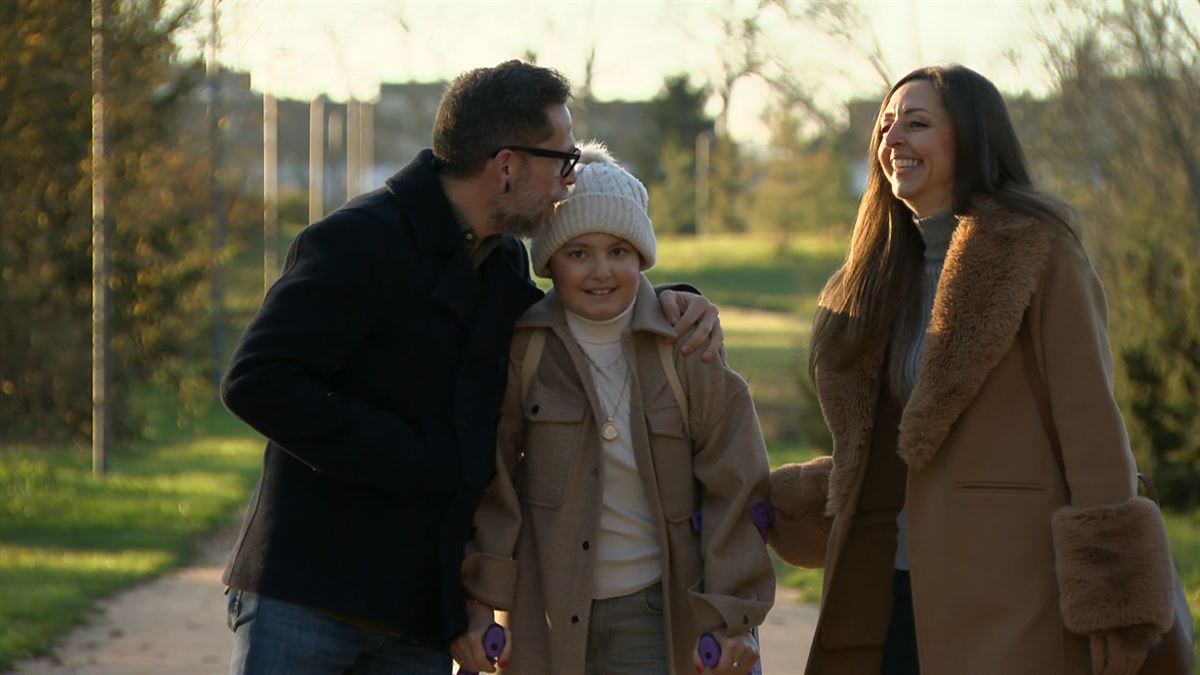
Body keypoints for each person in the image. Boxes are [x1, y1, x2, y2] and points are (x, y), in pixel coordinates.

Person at [219, 60, 723, 675]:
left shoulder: (505, 265)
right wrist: (415, 457)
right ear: (507, 165)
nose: (570, 181)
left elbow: (579, 323)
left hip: (419, 614)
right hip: (310, 593)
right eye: (562, 161)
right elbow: (258, 379)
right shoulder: (359, 240)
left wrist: (673, 298)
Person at [766, 65, 1176, 675]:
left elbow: (1093, 434)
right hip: (888, 594)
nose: (892, 139)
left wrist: (1115, 602)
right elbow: (882, 448)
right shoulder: (875, 277)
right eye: (884, 126)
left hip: (1013, 600)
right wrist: (775, 500)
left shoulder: (1040, 252)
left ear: (973, 138)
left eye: (918, 123)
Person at [450, 143, 775, 675]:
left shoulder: (687, 345)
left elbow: (737, 487)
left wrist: (732, 614)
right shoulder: (525, 350)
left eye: (618, 251)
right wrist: (481, 602)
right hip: (548, 617)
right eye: (579, 253)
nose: (601, 271)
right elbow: (495, 488)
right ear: (551, 261)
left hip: (659, 616)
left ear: (642, 256)